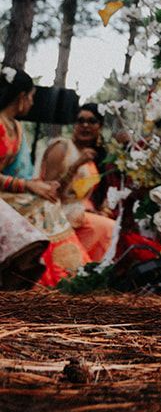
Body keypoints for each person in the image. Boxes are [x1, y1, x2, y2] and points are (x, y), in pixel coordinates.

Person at [38, 102, 118, 274]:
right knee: (109, 229)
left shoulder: (97, 155)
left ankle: (93, 275)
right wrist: (75, 165)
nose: (85, 125)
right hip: (56, 213)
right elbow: (48, 192)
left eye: (91, 121)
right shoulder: (61, 147)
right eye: (80, 120)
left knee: (111, 228)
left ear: (100, 126)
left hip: (80, 213)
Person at [0, 66, 57, 289]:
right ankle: (45, 282)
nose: (33, 103)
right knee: (42, 207)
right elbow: (21, 181)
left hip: (7, 193)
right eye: (32, 96)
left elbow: (22, 173)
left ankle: (60, 277)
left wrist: (39, 185)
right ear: (22, 96)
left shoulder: (17, 128)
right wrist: (30, 186)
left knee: (46, 202)